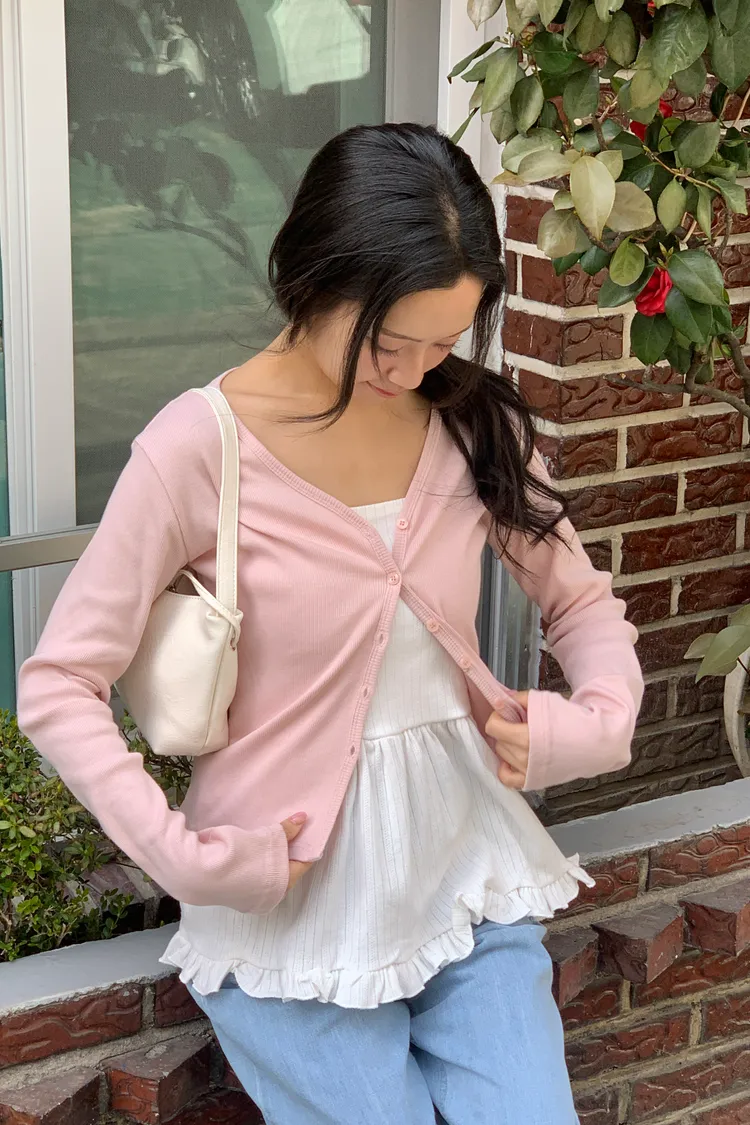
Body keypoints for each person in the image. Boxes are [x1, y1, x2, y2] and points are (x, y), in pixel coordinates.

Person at [17, 123, 643, 1125]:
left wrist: (596, 724)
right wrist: (181, 855)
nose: (418, 368)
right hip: (290, 917)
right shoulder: (199, 448)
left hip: (469, 877)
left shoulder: (468, 419)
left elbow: (578, 599)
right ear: (315, 276)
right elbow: (58, 683)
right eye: (392, 341)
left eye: (445, 340)